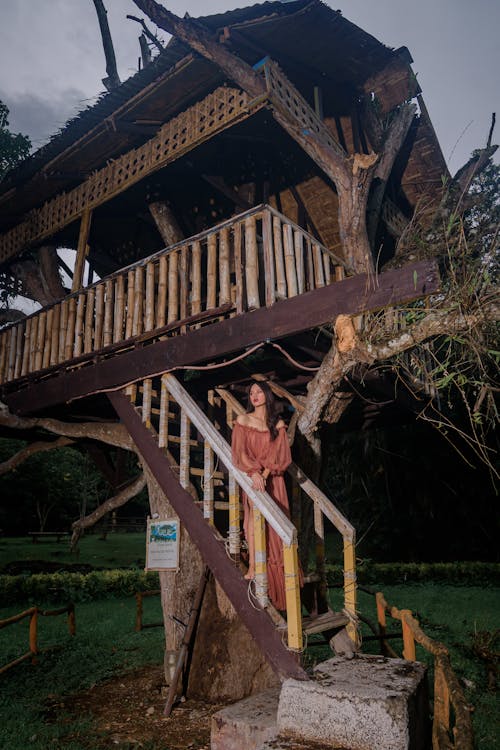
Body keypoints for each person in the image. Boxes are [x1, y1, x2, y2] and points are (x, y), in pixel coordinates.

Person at [231, 380, 302, 611]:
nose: (254, 395)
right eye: (251, 392)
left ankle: (280, 577)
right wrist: (254, 472)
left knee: (276, 528)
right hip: (253, 480)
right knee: (252, 519)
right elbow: (239, 452)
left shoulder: (277, 424)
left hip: (274, 481)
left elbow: (280, 455)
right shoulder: (243, 420)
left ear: (267, 395)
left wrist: (266, 472)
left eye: (259, 391)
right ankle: (253, 565)